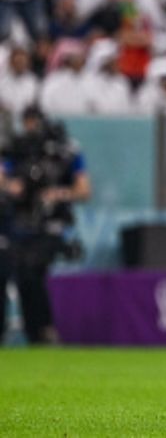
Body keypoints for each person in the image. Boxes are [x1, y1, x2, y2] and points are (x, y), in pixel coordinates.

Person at [0, 107, 89, 343]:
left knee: (32, 271)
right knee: (19, 273)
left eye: (34, 121)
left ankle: (44, 330)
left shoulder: (64, 150)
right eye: (27, 121)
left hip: (51, 224)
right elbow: (3, 177)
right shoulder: (18, 149)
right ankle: (35, 332)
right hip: (20, 224)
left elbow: (83, 189)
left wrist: (58, 193)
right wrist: (12, 186)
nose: (31, 127)